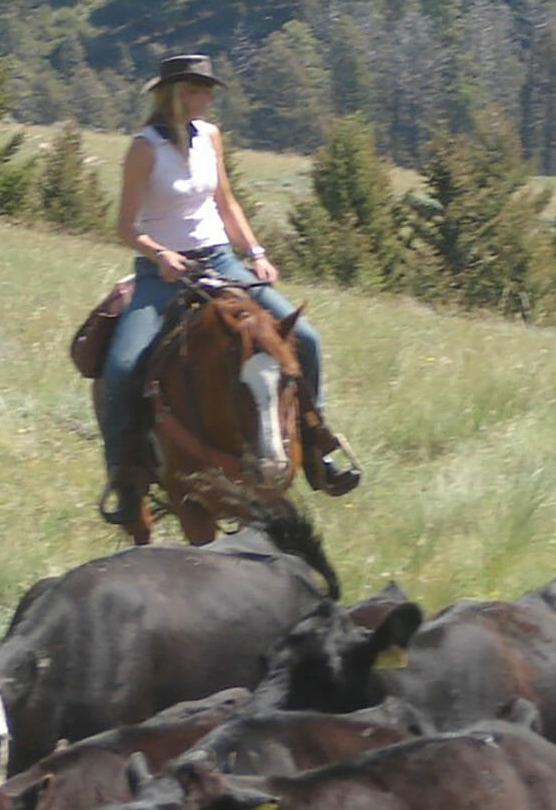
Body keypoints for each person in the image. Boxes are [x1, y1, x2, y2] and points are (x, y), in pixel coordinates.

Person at [98, 53, 361, 524]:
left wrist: (255, 252)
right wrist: (160, 254)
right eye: (202, 89)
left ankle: (317, 446)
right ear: (179, 93)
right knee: (120, 368)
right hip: (164, 272)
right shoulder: (144, 148)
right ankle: (125, 479)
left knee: (306, 339)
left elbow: (224, 201)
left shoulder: (210, 137)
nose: (210, 97)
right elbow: (125, 225)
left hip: (220, 260)